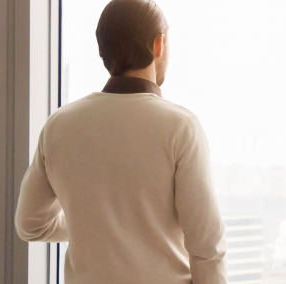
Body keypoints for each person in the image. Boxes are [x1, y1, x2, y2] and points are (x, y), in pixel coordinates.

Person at [14, 0, 225, 283]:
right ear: (159, 44)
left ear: (104, 51)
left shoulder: (59, 125)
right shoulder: (181, 126)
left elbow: (30, 226)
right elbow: (207, 248)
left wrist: (92, 223)